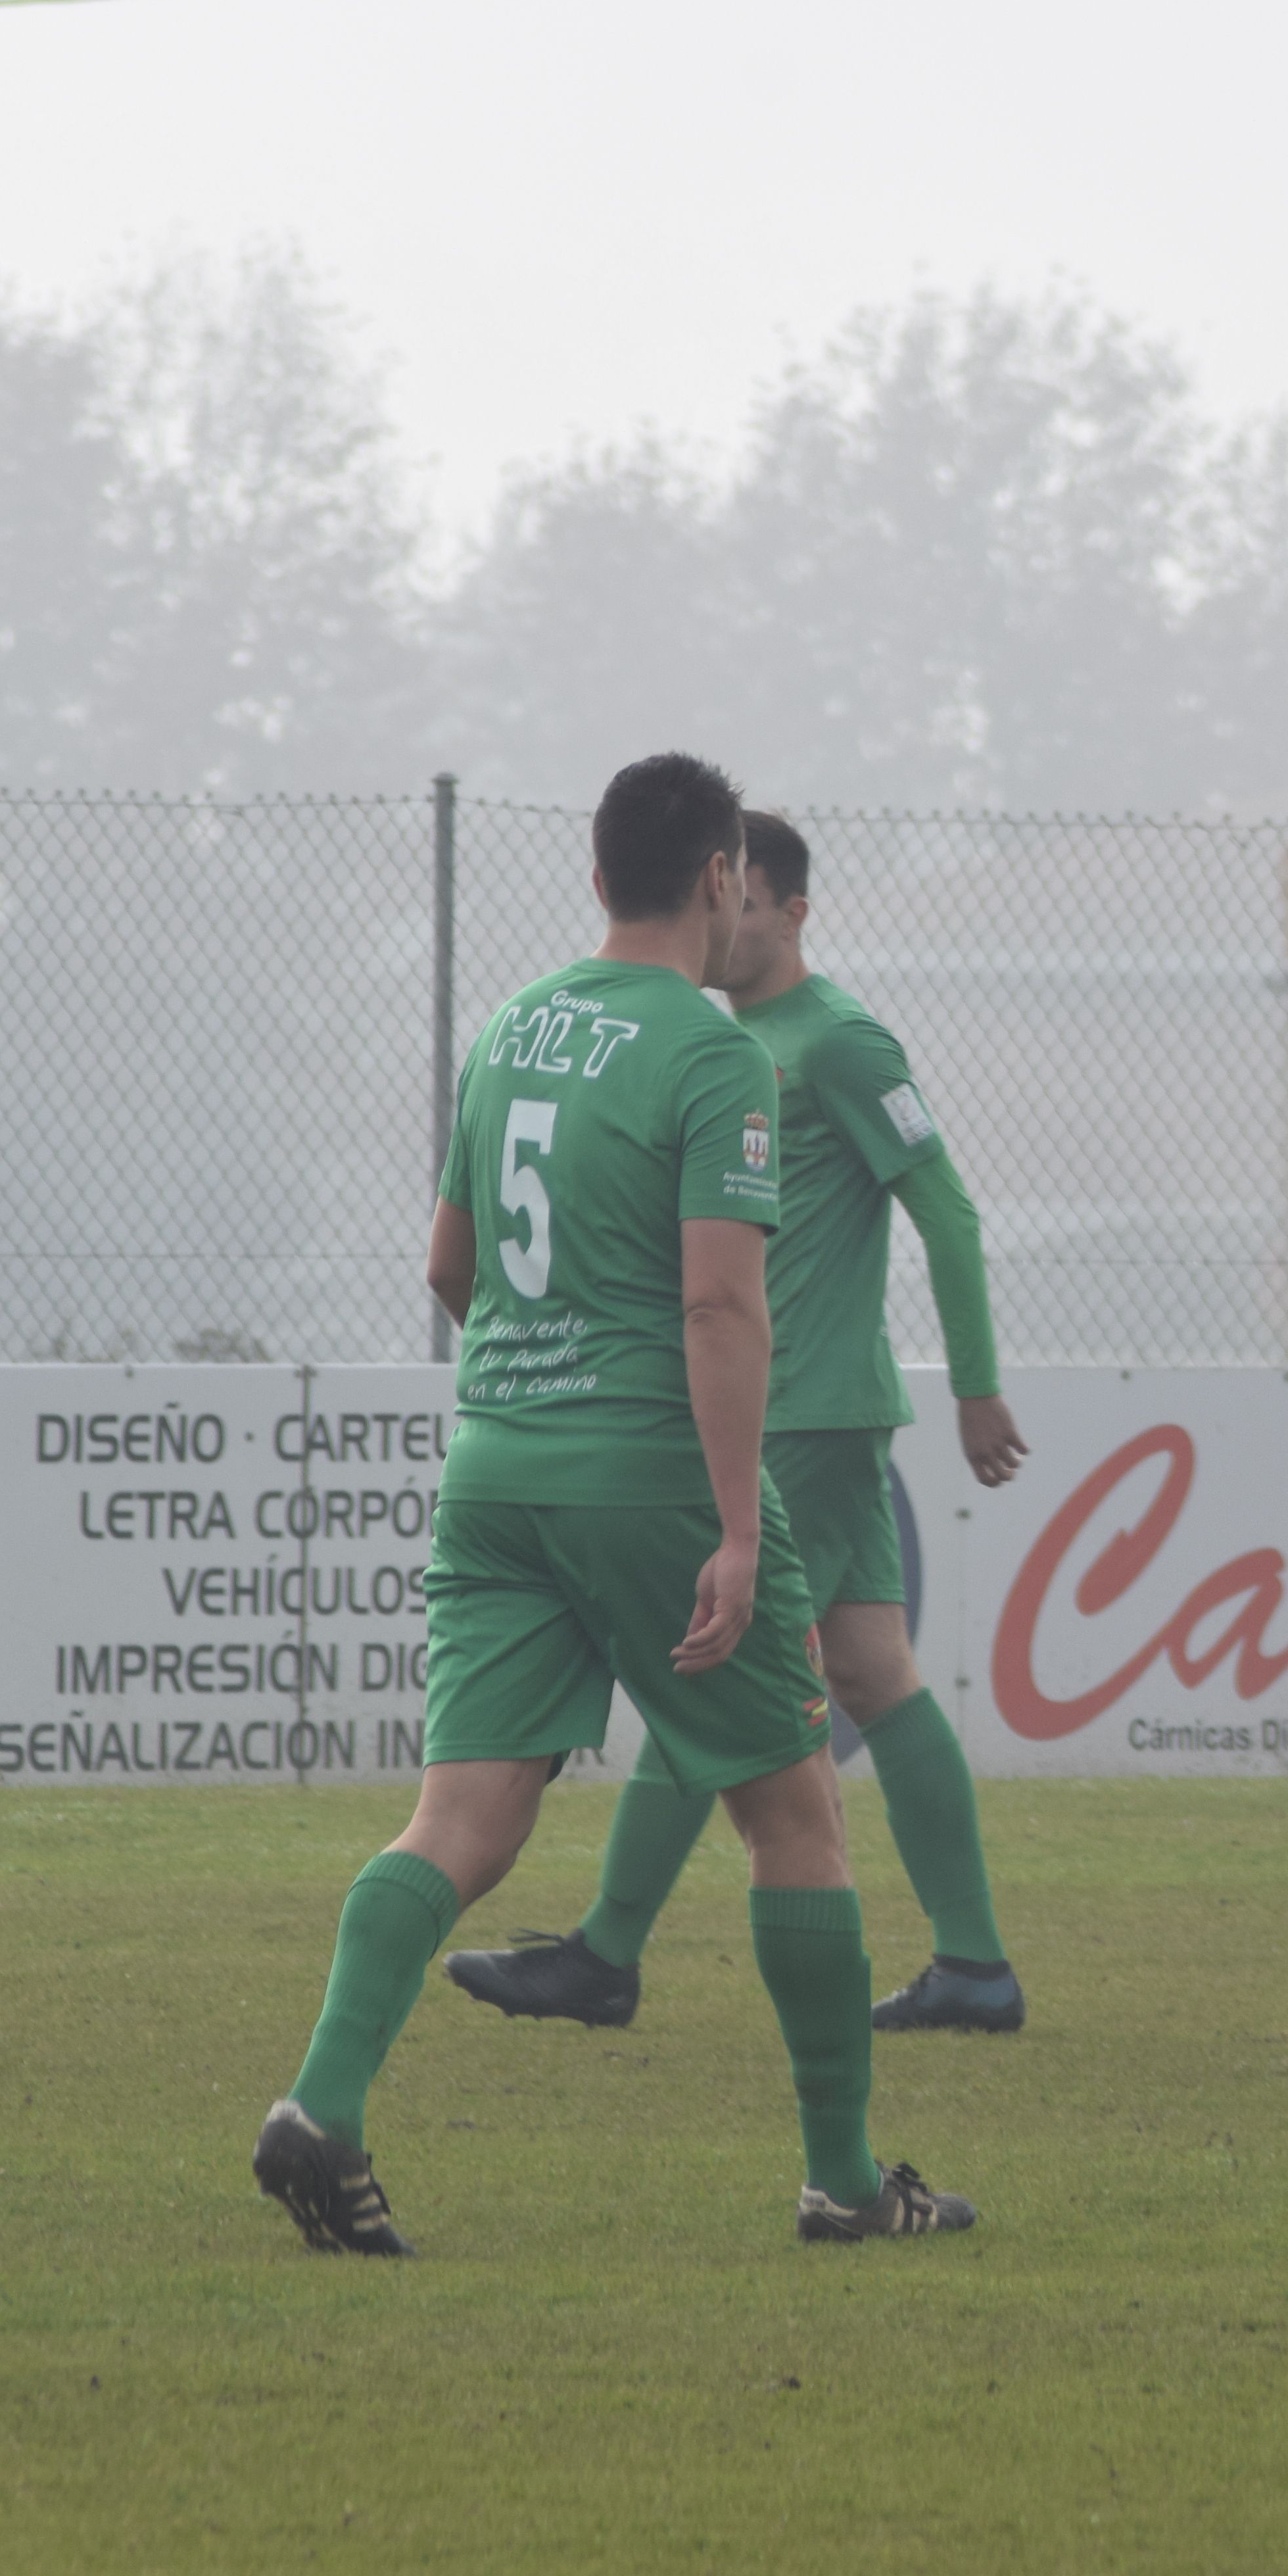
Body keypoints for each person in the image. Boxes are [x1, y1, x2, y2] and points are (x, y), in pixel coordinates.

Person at [250, 754, 974, 2253]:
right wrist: (734, 1524)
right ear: (722, 878)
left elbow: (448, 1270)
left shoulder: (514, 1026)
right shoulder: (720, 1061)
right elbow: (721, 1304)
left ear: (594, 879)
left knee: (460, 1816)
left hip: (494, 1467)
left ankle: (323, 2099)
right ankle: (844, 2180)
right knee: (796, 1814)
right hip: (643, 1471)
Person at [448, 812, 1036, 2035]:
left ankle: (606, 1952)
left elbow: (951, 1213)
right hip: (797, 1412)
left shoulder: (838, 1043)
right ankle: (975, 1966)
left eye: (751, 907)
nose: (728, 928)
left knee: (702, 1661)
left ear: (790, 912)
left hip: (805, 1415)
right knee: (874, 1674)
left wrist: (976, 1383)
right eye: (727, 902)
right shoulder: (716, 1044)